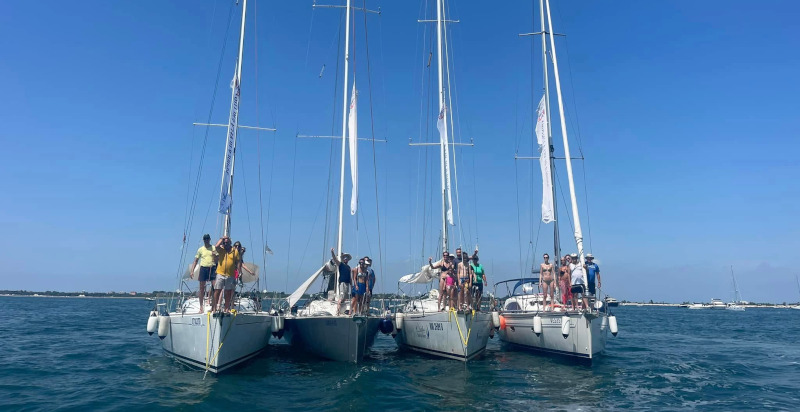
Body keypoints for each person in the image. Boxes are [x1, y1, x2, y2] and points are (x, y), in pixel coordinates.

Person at [212, 236, 241, 313]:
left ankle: (226, 308)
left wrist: (239, 271)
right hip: (220, 273)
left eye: (227, 242)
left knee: (228, 292)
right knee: (217, 291)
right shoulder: (221, 250)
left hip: (230, 274)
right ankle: (214, 308)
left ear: (230, 243)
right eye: (224, 243)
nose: (225, 244)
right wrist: (222, 238)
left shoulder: (235, 251)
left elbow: (238, 262)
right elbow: (216, 246)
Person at [190, 234, 216, 313]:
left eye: (207, 238)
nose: (206, 240)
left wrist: (215, 256)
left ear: (209, 239)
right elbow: (196, 260)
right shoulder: (200, 249)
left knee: (215, 288)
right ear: (203, 240)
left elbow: (218, 259)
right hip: (203, 268)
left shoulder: (213, 248)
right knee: (201, 288)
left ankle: (213, 306)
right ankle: (201, 307)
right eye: (205, 239)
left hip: (212, 267)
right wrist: (192, 271)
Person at [330, 248, 352, 315]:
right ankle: (338, 312)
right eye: (344, 258)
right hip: (342, 283)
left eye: (346, 258)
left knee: (345, 298)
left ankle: (343, 311)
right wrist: (332, 252)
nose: (345, 259)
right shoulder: (341, 265)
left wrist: (352, 285)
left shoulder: (349, 267)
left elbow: (350, 277)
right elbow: (335, 259)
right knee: (341, 297)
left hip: (347, 283)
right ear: (343, 259)